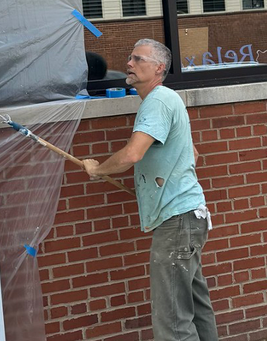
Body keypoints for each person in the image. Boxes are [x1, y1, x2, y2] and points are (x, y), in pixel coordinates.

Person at [81, 39, 217, 341]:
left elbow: (132, 154)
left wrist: (97, 170)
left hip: (177, 223)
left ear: (158, 68)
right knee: (196, 305)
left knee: (172, 321)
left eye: (137, 59)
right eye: (129, 58)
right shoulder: (168, 99)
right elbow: (192, 154)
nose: (129, 64)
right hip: (189, 218)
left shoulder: (157, 101)